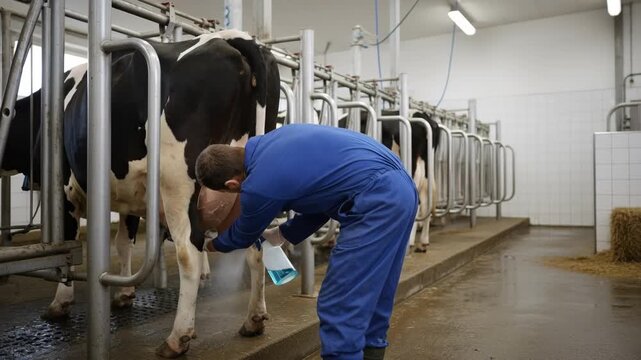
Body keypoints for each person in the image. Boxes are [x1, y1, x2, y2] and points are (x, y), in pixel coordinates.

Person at [195, 124, 417, 360]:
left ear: (232, 184)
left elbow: (242, 234)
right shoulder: (273, 140)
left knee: (339, 305)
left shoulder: (257, 185)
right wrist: (282, 234)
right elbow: (323, 199)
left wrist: (208, 244)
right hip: (401, 188)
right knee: (375, 294)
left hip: (376, 200)